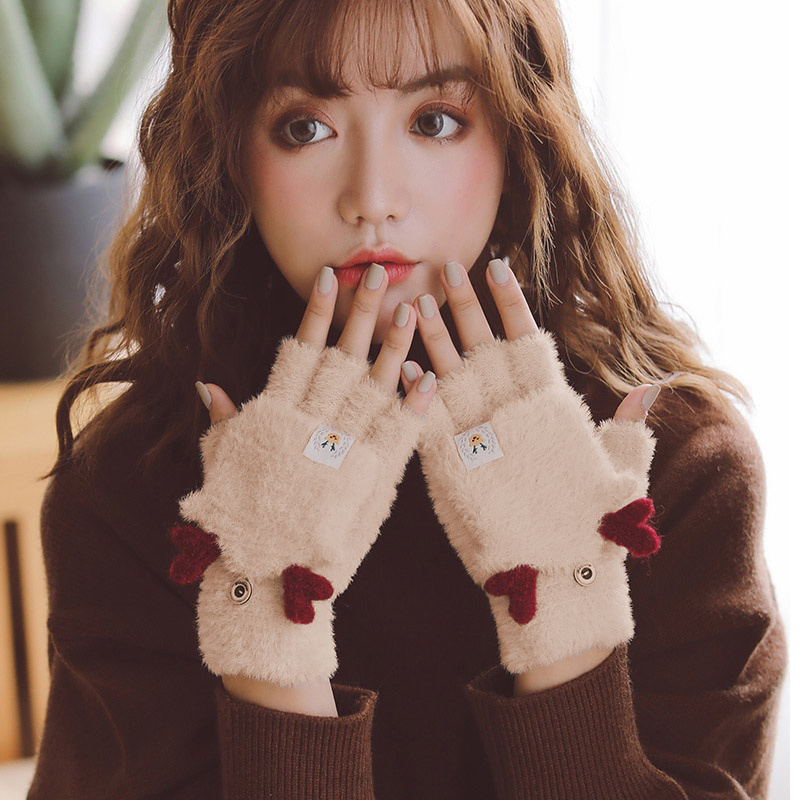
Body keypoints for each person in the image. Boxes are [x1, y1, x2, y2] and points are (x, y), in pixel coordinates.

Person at [28, 0, 786, 798]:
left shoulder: (673, 469)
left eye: (434, 121)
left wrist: (563, 596)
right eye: (304, 128)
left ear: (521, 134)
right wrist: (269, 629)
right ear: (229, 153)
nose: (372, 198)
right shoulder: (135, 487)